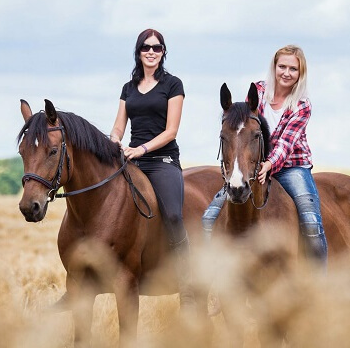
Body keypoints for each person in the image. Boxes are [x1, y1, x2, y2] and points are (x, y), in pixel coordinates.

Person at [202, 45, 328, 272]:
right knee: (209, 217)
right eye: (282, 67)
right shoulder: (258, 92)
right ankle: (209, 279)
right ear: (274, 67)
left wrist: (269, 164)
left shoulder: (302, 105)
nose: (286, 73)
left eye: (293, 69)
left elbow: (286, 143)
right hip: (254, 165)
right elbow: (243, 128)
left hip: (292, 166)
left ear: (301, 73)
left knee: (311, 222)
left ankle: (318, 281)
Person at [110, 28, 196, 310]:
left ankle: (187, 283)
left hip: (162, 161)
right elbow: (120, 126)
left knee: (172, 214)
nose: (151, 52)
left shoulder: (173, 85)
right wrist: (113, 143)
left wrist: (143, 149)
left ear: (163, 52)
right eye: (146, 47)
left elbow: (171, 131)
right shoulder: (128, 87)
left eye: (156, 48)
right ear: (138, 52)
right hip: (132, 159)